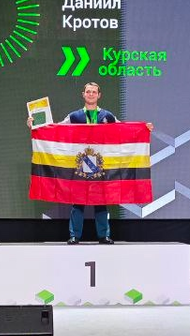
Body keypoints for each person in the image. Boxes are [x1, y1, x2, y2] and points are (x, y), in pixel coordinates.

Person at [27, 80, 152, 245]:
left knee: (101, 202)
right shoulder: (74, 116)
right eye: (88, 92)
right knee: (77, 202)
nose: (91, 94)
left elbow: (123, 130)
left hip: (101, 167)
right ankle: (74, 236)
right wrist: (35, 126)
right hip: (79, 166)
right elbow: (56, 129)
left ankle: (104, 236)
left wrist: (143, 128)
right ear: (83, 94)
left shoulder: (107, 116)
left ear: (99, 95)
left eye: (94, 92)